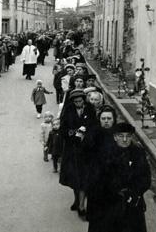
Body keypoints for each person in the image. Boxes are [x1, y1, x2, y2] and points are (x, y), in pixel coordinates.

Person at [88, 123, 151, 232]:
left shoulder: (138, 153)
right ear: (115, 137)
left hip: (132, 204)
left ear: (132, 137)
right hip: (109, 204)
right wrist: (114, 190)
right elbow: (96, 179)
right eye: (121, 136)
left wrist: (134, 191)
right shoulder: (104, 153)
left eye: (128, 136)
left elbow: (145, 177)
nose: (125, 139)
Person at [59, 89, 98, 218]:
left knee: (83, 178)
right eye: (75, 102)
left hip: (87, 151)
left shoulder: (90, 110)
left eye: (80, 101)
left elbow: (94, 127)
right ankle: (76, 201)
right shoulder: (68, 110)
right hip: (72, 150)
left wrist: (86, 135)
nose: (78, 103)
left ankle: (81, 206)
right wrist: (72, 133)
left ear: (83, 99)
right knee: (74, 178)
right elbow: (63, 129)